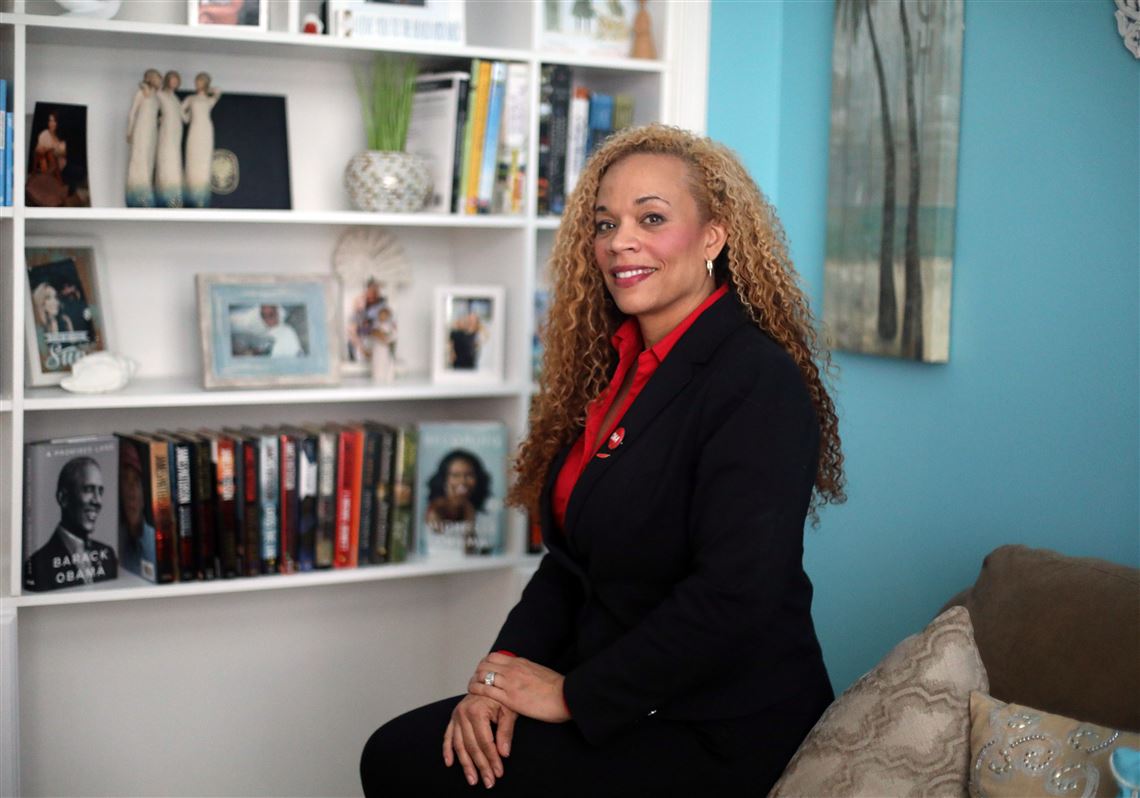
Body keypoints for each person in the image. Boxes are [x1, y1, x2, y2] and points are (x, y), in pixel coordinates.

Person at [360, 124, 846, 796]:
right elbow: (571, 566)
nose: (620, 241)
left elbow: (736, 596)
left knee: (407, 762)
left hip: (717, 722)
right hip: (620, 690)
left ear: (714, 236)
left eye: (652, 218)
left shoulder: (754, 380)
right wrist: (499, 677)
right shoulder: (614, 370)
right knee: (406, 751)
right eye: (605, 223)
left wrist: (571, 697)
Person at [24, 456, 118, 590]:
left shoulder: (108, 555)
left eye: (100, 491)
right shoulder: (38, 565)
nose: (98, 501)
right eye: (88, 489)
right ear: (63, 498)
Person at [424, 450, 492, 555]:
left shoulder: (487, 515)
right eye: (455, 475)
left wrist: (468, 509)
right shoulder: (434, 509)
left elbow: (471, 553)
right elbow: (436, 536)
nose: (462, 481)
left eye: (469, 475)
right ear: (444, 479)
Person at [182, 72, 221, 208]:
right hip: (194, 130)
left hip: (206, 131)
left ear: (206, 83)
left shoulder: (209, 100)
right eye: (197, 81)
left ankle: (202, 197)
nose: (197, 83)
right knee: (192, 160)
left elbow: (218, 91)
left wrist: (209, 90)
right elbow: (181, 112)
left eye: (201, 81)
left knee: (205, 162)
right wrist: (188, 117)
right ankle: (191, 195)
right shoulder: (191, 98)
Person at [125, 69, 161, 208]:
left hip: (152, 131)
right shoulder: (141, 93)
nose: (159, 81)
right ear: (150, 78)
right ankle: (139, 193)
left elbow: (153, 115)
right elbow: (132, 113)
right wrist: (129, 131)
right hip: (141, 129)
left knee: (148, 159)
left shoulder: (156, 96)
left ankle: (146, 190)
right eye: (156, 78)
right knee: (139, 159)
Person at [155, 70, 185, 208]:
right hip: (166, 131)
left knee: (174, 161)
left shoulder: (175, 99)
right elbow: (151, 109)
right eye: (173, 79)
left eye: (176, 80)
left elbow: (184, 117)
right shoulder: (160, 94)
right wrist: (159, 119)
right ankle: (164, 195)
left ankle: (174, 198)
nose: (175, 82)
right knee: (165, 159)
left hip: (176, 132)